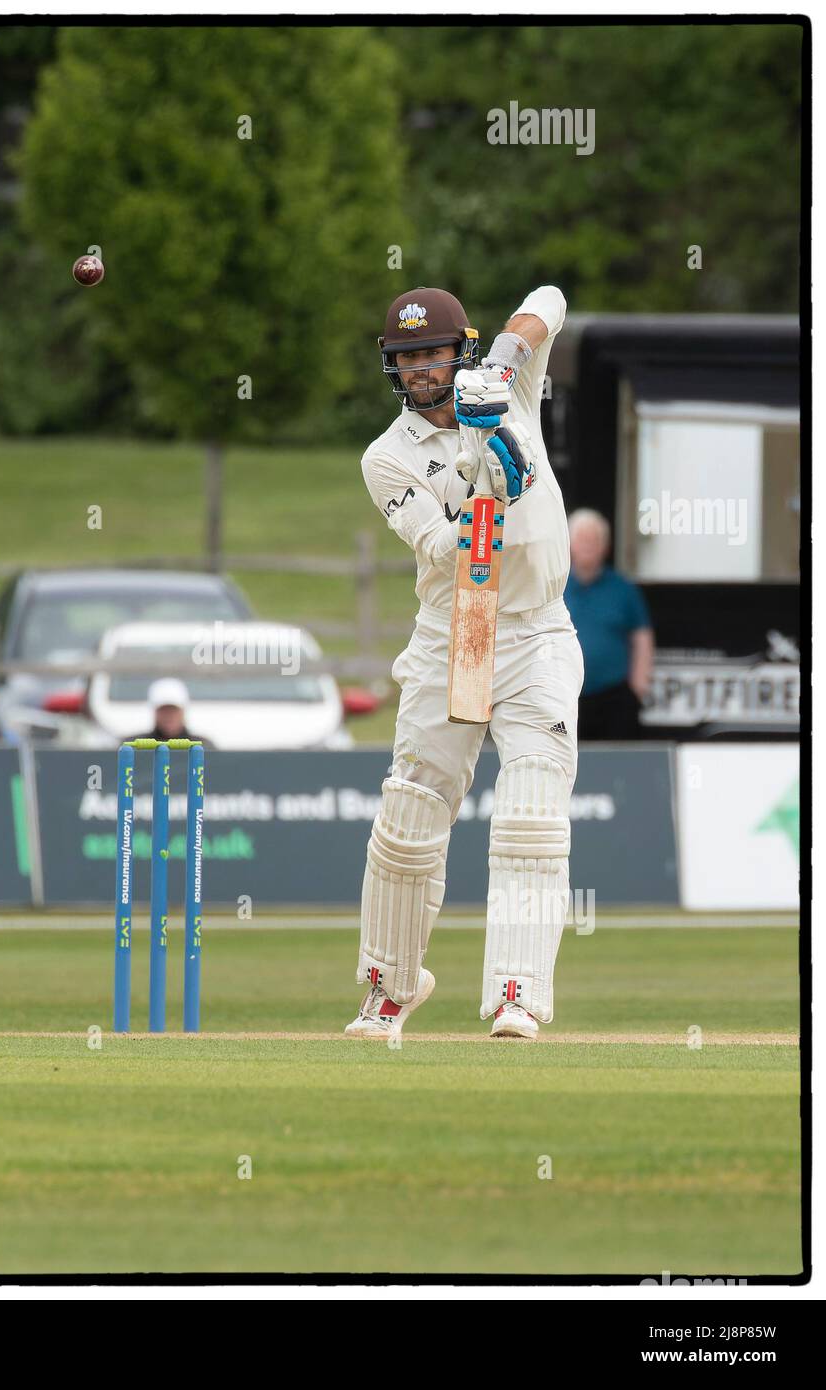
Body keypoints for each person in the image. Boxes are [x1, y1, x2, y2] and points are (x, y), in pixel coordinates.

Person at [347, 284, 583, 1042]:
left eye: (434, 354)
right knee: (411, 811)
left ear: (462, 351)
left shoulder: (509, 386)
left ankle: (517, 992)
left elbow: (550, 298)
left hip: (535, 631)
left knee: (531, 807)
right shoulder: (386, 458)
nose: (421, 369)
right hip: (453, 631)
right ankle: (389, 989)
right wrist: (491, 488)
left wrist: (506, 364)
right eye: (406, 357)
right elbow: (443, 548)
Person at [564, 509, 654, 740]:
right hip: (565, 698)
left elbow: (642, 638)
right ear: (569, 543)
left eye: (594, 540)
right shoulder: (555, 588)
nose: (588, 545)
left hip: (614, 700)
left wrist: (638, 686)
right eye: (582, 539)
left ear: (605, 546)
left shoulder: (623, 589)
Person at [135, 677, 200, 743]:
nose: (169, 716)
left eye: (173, 710)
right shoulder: (135, 746)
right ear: (155, 712)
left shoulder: (202, 746)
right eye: (163, 710)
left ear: (183, 711)